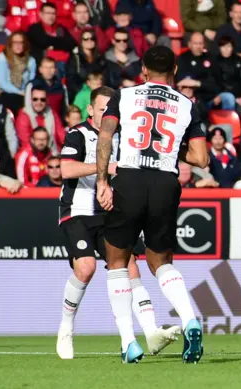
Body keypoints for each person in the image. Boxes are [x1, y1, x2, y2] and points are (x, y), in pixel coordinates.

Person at [95, 46, 209, 364]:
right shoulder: (187, 105)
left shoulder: (125, 95)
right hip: (165, 182)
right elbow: (201, 158)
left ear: (143, 69)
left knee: (117, 261)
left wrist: (103, 181)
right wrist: (171, 147)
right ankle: (189, 320)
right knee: (161, 263)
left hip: (130, 179)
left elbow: (105, 135)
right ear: (174, 69)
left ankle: (129, 341)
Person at [56, 86, 180, 359]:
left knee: (130, 265)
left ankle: (151, 333)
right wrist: (105, 168)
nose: (107, 114)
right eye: (101, 110)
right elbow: (66, 169)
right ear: (90, 110)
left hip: (112, 213)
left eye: (110, 110)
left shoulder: (124, 136)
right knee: (86, 268)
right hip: (77, 211)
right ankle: (66, 328)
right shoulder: (78, 134)